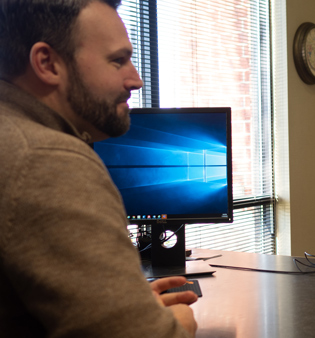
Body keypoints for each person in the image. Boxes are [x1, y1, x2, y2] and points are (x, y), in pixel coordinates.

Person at [0, 1, 197, 336]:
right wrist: (175, 324)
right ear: (47, 63)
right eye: (118, 60)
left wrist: (122, 307)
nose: (136, 80)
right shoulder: (48, 159)